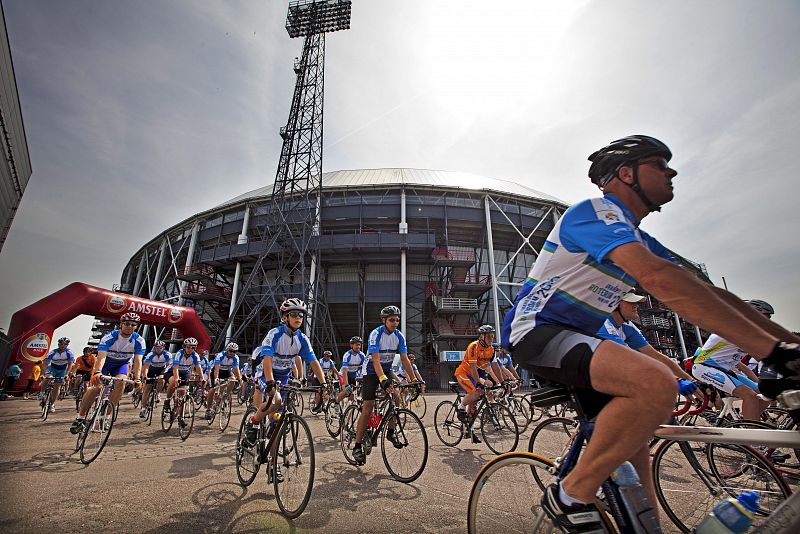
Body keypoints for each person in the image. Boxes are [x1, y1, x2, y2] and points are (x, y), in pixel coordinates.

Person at [502, 135, 800, 532]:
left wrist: (787, 344)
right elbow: (659, 278)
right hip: (538, 331)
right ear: (627, 173)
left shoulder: (640, 237)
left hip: (584, 339)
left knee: (634, 453)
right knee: (655, 384)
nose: (671, 171)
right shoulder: (593, 212)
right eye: (660, 163)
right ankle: (570, 494)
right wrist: (774, 354)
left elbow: (711, 294)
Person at [244, 299, 328, 448]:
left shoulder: (302, 339)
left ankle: (272, 464)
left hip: (283, 375)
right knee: (275, 400)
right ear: (285, 318)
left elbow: (313, 362)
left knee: (278, 421)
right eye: (294, 314)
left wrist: (323, 384)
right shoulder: (274, 334)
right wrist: (270, 381)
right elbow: (268, 359)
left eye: (301, 315)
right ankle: (254, 422)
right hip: (266, 372)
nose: (298, 318)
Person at [351, 305, 416, 466]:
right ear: (384, 320)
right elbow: (375, 359)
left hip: (386, 369)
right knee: (368, 406)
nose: (395, 323)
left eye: (397, 320)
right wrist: (383, 380)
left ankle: (391, 432)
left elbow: (405, 359)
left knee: (396, 397)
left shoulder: (399, 336)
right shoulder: (376, 334)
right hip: (372, 371)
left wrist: (414, 380)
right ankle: (357, 446)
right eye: (392, 320)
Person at [596, 291, 697, 393]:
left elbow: (656, 356)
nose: (636, 305)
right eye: (631, 302)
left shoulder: (627, 326)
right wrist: (675, 380)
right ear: (615, 305)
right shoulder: (604, 325)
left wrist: (690, 380)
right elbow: (631, 359)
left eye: (636, 302)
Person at [690, 299, 775, 420]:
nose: (767, 322)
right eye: (765, 317)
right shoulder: (738, 329)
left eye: (769, 318)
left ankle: (747, 419)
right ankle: (752, 433)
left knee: (766, 393)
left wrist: (760, 383)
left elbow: (742, 365)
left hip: (722, 369)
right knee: (749, 395)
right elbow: (761, 356)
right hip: (703, 367)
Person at [71, 313, 146, 434]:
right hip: (106, 363)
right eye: (127, 324)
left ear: (136, 327)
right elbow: (101, 358)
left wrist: (137, 378)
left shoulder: (139, 340)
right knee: (96, 388)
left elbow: (138, 360)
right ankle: (80, 417)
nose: (130, 327)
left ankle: (107, 416)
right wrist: (98, 372)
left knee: (121, 383)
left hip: (121, 365)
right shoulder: (110, 337)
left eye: (133, 325)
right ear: (121, 324)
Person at [454, 325, 503, 437]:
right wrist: (479, 383)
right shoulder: (473, 346)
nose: (491, 338)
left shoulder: (491, 349)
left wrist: (502, 382)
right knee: (475, 392)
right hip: (464, 373)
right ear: (482, 336)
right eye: (489, 336)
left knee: (477, 400)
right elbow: (472, 367)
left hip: (476, 374)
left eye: (492, 335)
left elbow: (495, 367)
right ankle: (461, 407)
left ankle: (467, 429)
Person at [164, 338, 204, 416]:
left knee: (183, 392)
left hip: (185, 373)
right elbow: (175, 367)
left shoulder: (195, 355)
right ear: (184, 347)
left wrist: (202, 378)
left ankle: (180, 414)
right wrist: (176, 378)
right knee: (173, 382)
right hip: (172, 371)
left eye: (192, 347)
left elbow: (198, 367)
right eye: (188, 347)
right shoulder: (179, 353)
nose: (190, 349)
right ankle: (167, 400)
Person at [40, 337, 76, 412]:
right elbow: (45, 363)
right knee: (48, 378)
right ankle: (42, 392)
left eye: (65, 344)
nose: (63, 346)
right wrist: (42, 374)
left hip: (62, 370)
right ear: (58, 344)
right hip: (52, 368)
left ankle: (52, 404)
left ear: (67, 345)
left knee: (57, 387)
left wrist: (66, 374)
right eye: (61, 344)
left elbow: (70, 365)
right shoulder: (53, 352)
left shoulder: (69, 353)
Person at [139, 340, 172, 418]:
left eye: (160, 348)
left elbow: (169, 365)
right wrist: (145, 375)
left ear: (163, 348)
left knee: (161, 380)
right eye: (156, 348)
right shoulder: (150, 354)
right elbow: (146, 366)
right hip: (151, 370)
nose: (158, 349)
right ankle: (143, 408)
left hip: (162, 369)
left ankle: (157, 393)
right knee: (147, 389)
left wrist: (164, 375)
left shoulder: (167, 354)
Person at [209, 342, 242, 417]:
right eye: (230, 351)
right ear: (227, 350)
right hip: (217, 371)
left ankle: (226, 395)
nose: (232, 353)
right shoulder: (220, 355)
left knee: (233, 379)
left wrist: (240, 380)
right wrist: (216, 378)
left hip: (227, 371)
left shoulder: (235, 357)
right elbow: (216, 368)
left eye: (234, 351)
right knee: (212, 390)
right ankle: (208, 409)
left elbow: (236, 369)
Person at [336, 336, 366, 405]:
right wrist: (346, 385)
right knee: (346, 392)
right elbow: (345, 371)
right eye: (356, 344)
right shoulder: (347, 355)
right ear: (351, 345)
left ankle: (348, 410)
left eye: (359, 345)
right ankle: (336, 403)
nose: (358, 346)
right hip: (344, 375)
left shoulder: (362, 355)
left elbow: (365, 369)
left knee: (352, 395)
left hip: (353, 375)